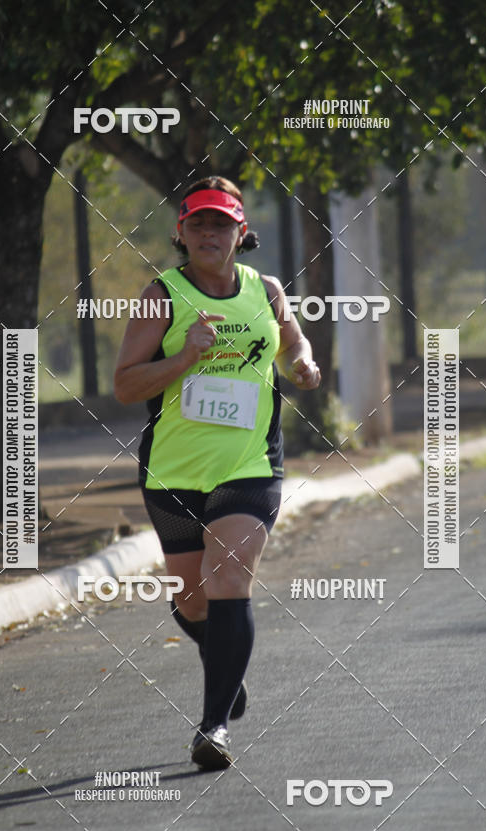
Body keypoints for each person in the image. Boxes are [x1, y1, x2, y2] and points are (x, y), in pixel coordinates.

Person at [114, 175, 320, 770]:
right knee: (193, 601)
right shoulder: (161, 297)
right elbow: (125, 385)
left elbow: (293, 343)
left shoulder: (267, 290)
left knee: (229, 576)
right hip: (173, 469)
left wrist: (302, 365)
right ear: (181, 233)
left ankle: (214, 727)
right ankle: (225, 664)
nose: (210, 233)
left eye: (221, 224)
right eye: (198, 223)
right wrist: (185, 357)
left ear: (241, 232)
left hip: (249, 464)